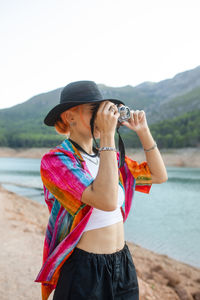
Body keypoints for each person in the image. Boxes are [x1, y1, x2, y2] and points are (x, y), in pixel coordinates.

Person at [35, 80, 168, 300]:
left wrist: (143, 131)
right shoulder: (55, 160)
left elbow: (158, 176)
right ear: (70, 117)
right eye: (94, 110)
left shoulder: (110, 157)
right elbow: (106, 200)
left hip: (122, 263)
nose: (102, 117)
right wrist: (107, 136)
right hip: (84, 269)